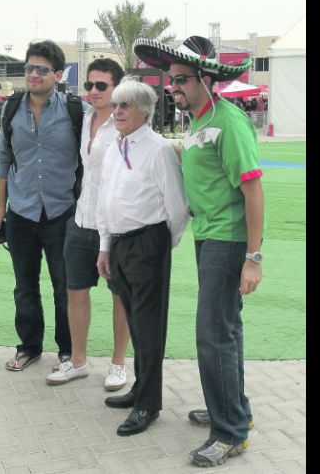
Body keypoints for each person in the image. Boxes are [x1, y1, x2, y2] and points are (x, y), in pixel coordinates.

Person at [134, 35, 264, 466]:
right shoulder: (198, 121)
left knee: (213, 337)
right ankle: (232, 409)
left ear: (207, 80)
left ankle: (229, 432)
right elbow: (197, 163)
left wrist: (253, 257)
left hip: (228, 241)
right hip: (207, 236)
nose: (173, 88)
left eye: (182, 80)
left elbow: (253, 190)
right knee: (226, 331)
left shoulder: (228, 122)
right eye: (170, 81)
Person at [96, 78, 189, 437]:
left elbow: (177, 207)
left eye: (125, 106)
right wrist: (105, 246)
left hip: (147, 243)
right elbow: (106, 197)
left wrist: (162, 245)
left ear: (145, 112)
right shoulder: (114, 147)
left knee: (149, 329)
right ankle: (139, 388)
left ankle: (149, 403)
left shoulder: (159, 149)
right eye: (116, 105)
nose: (117, 112)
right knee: (136, 324)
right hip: (118, 244)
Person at [0, 40, 78, 372]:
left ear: (57, 74)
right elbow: (3, 158)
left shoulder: (73, 110)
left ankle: (68, 351)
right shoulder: (11, 108)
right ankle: (29, 346)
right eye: (29, 68)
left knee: (63, 287)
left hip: (61, 211)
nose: (34, 74)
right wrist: (1, 206)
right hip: (22, 211)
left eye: (42, 69)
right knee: (25, 286)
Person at [44, 59, 131, 392]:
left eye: (101, 86)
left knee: (121, 294)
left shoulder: (126, 123)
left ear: (116, 89)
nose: (93, 92)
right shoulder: (84, 120)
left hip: (117, 223)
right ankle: (78, 361)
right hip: (82, 218)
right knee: (74, 290)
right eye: (89, 85)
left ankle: (118, 364)